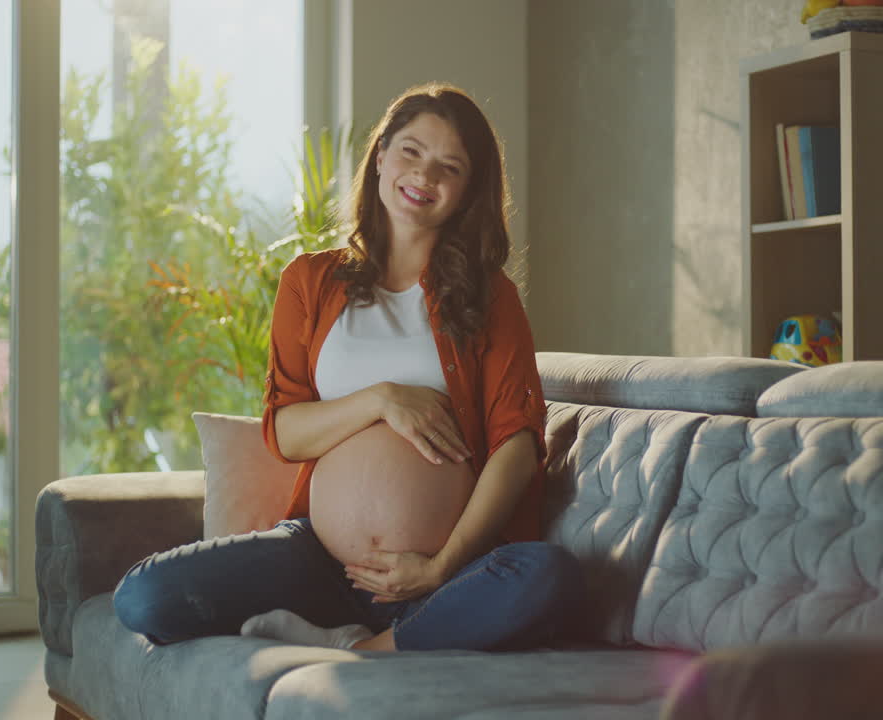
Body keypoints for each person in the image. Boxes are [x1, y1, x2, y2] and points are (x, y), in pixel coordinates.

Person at [113, 82, 585, 652]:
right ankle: (379, 635)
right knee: (144, 596)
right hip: (316, 560)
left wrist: (439, 567)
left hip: (442, 573)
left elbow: (518, 445)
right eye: (411, 151)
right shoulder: (310, 282)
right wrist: (381, 398)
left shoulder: (489, 297)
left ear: (467, 192)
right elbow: (285, 430)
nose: (425, 175)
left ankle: (368, 648)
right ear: (380, 155)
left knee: (551, 576)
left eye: (450, 167)